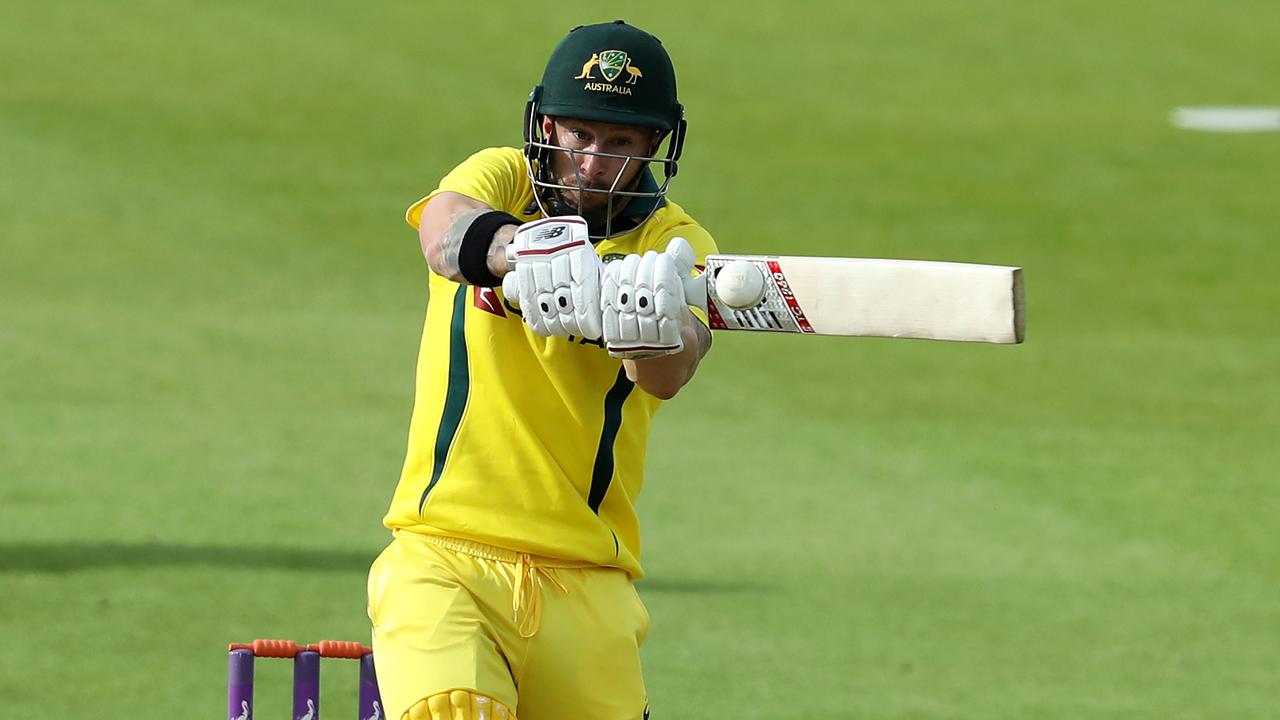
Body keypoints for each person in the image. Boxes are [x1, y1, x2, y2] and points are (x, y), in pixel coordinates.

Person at [367, 20, 717, 720]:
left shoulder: (672, 243)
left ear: (654, 144)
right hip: (444, 554)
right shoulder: (503, 176)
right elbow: (443, 234)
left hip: (586, 580)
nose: (592, 163)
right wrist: (524, 253)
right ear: (547, 124)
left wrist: (643, 324)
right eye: (580, 136)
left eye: (618, 142)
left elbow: (675, 368)